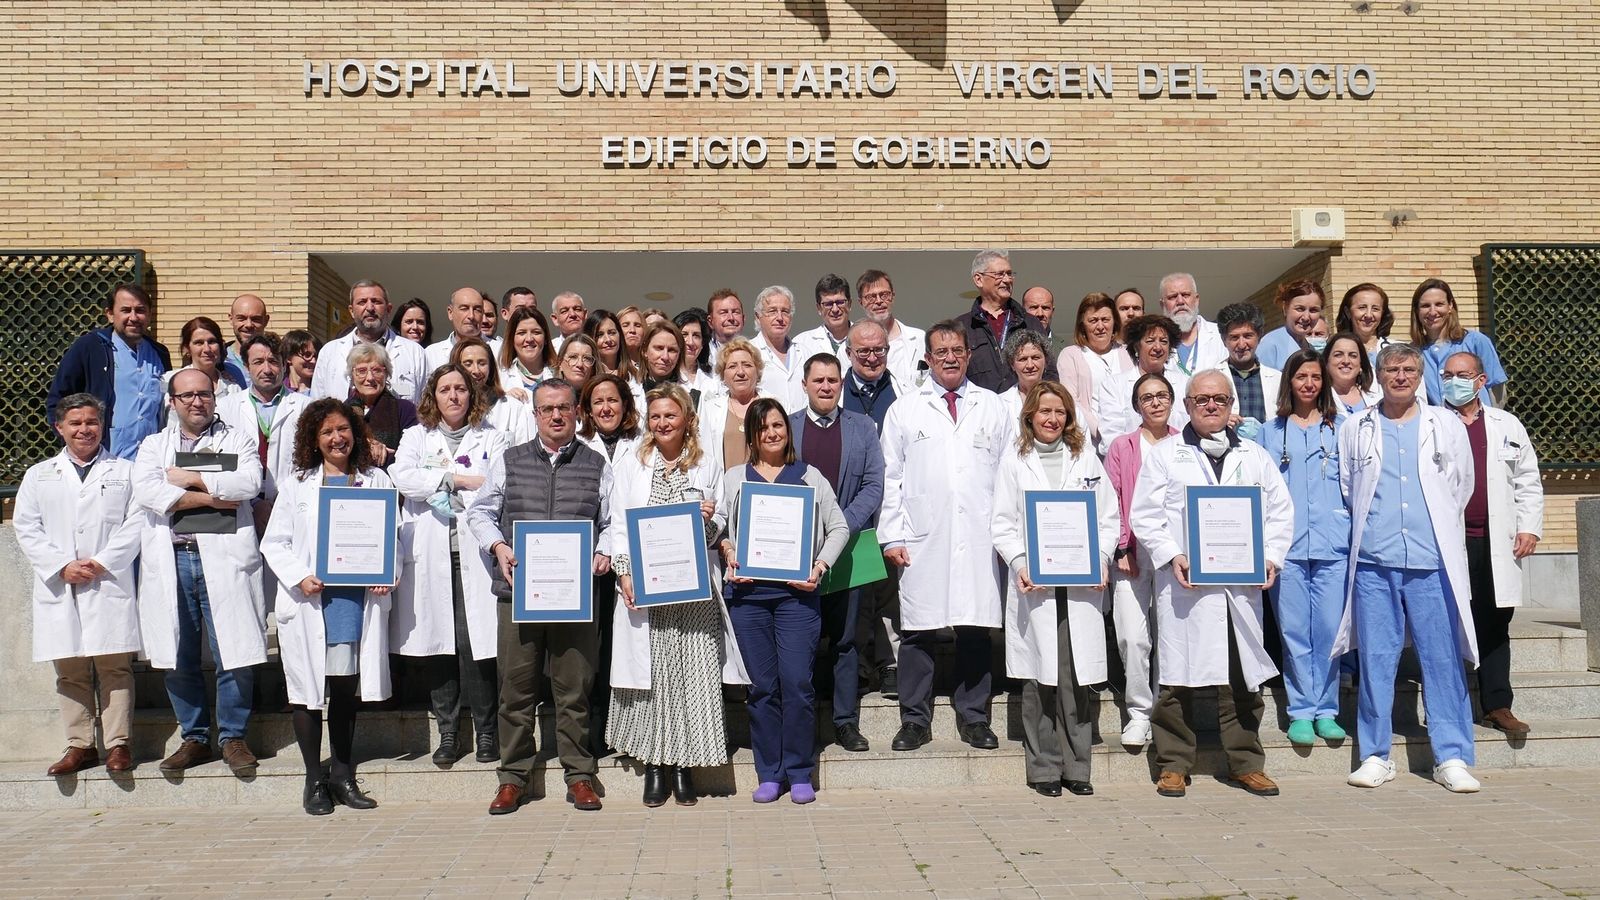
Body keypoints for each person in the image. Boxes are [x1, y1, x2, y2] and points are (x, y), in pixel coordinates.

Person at [1130, 370, 1293, 799]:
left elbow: (1279, 512)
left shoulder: (1255, 456)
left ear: (1231, 404)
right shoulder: (1166, 454)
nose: (1210, 406)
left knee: (1242, 677)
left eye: (1219, 399)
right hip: (1186, 587)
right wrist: (1171, 554)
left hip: (1240, 588)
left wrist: (1272, 556)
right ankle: (1173, 765)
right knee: (1177, 677)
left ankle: (1246, 763)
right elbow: (1144, 515)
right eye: (1201, 400)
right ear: (1186, 405)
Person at [1336, 344, 1481, 792]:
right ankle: (1376, 755)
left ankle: (1451, 756)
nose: (1400, 376)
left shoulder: (1446, 424)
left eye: (1409, 369)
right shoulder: (1356, 427)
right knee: (1377, 660)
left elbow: (1461, 487)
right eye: (1391, 369)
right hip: (1375, 564)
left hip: (1429, 560)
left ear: (1421, 375)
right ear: (1376, 374)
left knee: (1441, 659)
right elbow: (1348, 488)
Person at [465, 378, 613, 813]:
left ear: (576, 412)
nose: (556, 415)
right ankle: (513, 777)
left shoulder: (595, 463)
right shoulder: (510, 460)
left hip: (575, 594)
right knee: (516, 688)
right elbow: (480, 512)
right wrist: (499, 546)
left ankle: (579, 775)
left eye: (564, 407)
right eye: (547, 408)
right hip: (519, 595)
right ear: (535, 414)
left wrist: (603, 551)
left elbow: (612, 520)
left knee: (574, 688)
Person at [609, 384, 748, 807]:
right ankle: (655, 766)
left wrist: (709, 518)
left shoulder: (705, 463)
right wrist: (625, 573)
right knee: (653, 680)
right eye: (656, 417)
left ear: (687, 418)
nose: (663, 424)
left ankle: (685, 766)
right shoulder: (633, 461)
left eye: (671, 416)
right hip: (647, 593)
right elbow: (618, 522)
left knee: (691, 676)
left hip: (693, 593)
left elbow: (720, 520)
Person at [880, 321, 1012, 751]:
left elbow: (1010, 476)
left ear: (969, 355)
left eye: (957, 349)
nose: (950, 357)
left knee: (975, 628)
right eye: (941, 352)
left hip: (979, 537)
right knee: (918, 630)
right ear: (928, 358)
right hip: (923, 537)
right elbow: (891, 478)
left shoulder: (992, 407)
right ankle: (914, 720)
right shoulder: (905, 409)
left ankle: (973, 717)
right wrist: (892, 536)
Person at [261, 398, 395, 814]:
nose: (337, 438)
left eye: (343, 429)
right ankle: (312, 780)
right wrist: (300, 575)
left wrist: (385, 571)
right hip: (310, 599)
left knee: (342, 689)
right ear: (314, 440)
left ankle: (342, 775)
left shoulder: (376, 481)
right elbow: (275, 542)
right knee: (305, 693)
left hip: (351, 603)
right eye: (327, 432)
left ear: (354, 433)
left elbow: (396, 540)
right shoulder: (298, 484)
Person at [131, 367, 266, 776]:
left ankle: (233, 737)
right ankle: (194, 737)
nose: (196, 402)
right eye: (186, 396)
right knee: (178, 655)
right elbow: (149, 492)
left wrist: (188, 479)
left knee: (235, 652)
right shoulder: (154, 446)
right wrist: (213, 494)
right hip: (173, 559)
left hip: (224, 559)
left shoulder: (237, 439)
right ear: (172, 402)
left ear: (214, 397)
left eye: (204, 394)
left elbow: (247, 485)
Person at [719, 397, 850, 803]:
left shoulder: (809, 476)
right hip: (749, 598)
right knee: (762, 688)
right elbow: (721, 526)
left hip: (797, 599)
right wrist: (726, 548)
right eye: (763, 428)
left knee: (797, 684)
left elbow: (839, 526)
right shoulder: (735, 478)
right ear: (753, 437)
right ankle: (770, 773)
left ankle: (800, 770)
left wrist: (820, 566)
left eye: (778, 425)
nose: (772, 433)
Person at [992, 382, 1118, 797]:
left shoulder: (1087, 459)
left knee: (1076, 679)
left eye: (1059, 412)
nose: (1052, 419)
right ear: (1029, 415)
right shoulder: (1015, 461)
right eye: (1044, 411)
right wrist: (1020, 563)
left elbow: (1107, 519)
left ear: (1069, 417)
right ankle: (1044, 768)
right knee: (1040, 679)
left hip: (1080, 586)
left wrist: (1100, 559)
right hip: (1037, 587)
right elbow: (1003, 524)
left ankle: (1077, 767)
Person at [15, 393, 143, 777]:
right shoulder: (39, 474)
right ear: (60, 427)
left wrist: (102, 561)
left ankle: (118, 743)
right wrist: (60, 566)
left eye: (91, 422)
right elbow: (26, 526)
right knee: (69, 670)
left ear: (102, 426)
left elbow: (136, 521)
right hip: (61, 585)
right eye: (75, 423)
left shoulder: (125, 471)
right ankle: (80, 745)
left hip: (108, 581)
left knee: (115, 667)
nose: (84, 429)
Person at [391, 364, 506, 768]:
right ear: (433, 396)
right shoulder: (416, 436)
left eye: (461, 389)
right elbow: (402, 477)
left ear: (471, 396)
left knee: (479, 646)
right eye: (445, 389)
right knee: (440, 646)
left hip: (476, 554)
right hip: (430, 553)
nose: (453, 395)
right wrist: (457, 480)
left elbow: (496, 483)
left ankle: (488, 732)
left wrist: (438, 478)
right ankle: (449, 733)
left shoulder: (493, 436)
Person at [1440, 351, 1543, 736]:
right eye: (1447, 375)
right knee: (1450, 622)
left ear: (1481, 381)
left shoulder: (1507, 424)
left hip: (1495, 541)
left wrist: (1529, 528)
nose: (1453, 381)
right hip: (1451, 541)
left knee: (1495, 623)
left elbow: (1527, 478)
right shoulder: (1433, 421)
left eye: (1462, 375)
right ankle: (1450, 704)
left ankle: (1498, 705)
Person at [789, 354, 884, 753]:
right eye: (818, 380)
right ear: (805, 384)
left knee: (847, 641)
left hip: (849, 549)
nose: (826, 386)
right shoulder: (786, 427)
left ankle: (846, 722)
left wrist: (838, 528)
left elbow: (874, 486)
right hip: (798, 552)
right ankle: (805, 725)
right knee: (803, 641)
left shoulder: (863, 427)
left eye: (832, 380)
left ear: (841, 384)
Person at [1253, 349, 1349, 745]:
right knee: (1294, 631)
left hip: (1333, 545)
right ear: (1288, 382)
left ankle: (1327, 709)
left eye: (1315, 376)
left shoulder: (1343, 428)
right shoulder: (1269, 432)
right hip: (1286, 549)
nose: (1308, 383)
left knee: (1328, 630)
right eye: (1300, 377)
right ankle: (1300, 711)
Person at [1103, 372, 1179, 748]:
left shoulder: (1185, 444)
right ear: (1136, 405)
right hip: (1131, 554)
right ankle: (1138, 712)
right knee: (1133, 636)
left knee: (1169, 636)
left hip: (1173, 556)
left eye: (1161, 395)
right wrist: (1120, 547)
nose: (1155, 402)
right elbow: (1112, 498)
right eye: (1147, 397)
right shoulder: (1122, 447)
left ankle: (1165, 711)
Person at [840, 319, 907, 697]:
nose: (871, 357)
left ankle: (890, 663)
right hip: (852, 506)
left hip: (892, 506)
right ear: (849, 353)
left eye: (878, 349)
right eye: (862, 351)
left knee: (888, 589)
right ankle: (860, 664)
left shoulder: (902, 391)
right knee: (855, 587)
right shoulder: (838, 390)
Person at [577, 373, 641, 752]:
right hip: (595, 561)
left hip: (633, 558)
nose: (606, 408)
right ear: (587, 409)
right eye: (598, 402)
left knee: (626, 647)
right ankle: (596, 730)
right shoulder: (580, 444)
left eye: (613, 401)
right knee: (594, 647)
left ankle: (628, 729)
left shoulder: (641, 445)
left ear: (625, 405)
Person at [48, 283, 171, 459]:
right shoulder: (90, 348)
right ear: (110, 314)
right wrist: (76, 444)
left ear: (150, 315)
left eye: (140, 310)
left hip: (150, 462)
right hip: (105, 461)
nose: (133, 317)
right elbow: (58, 399)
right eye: (126, 310)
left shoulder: (160, 353)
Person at [217, 334, 311, 534]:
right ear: (246, 366)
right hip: (242, 505)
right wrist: (254, 503)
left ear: (285, 364)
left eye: (273, 362)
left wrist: (282, 501)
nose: (267, 370)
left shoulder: (307, 407)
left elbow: (310, 463)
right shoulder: (226, 407)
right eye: (258, 362)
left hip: (290, 504)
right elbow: (223, 461)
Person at [313, 280, 429, 404]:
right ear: (351, 311)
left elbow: (426, 407)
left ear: (389, 309)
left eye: (376, 302)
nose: (369, 308)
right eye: (362, 302)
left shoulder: (415, 353)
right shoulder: (330, 352)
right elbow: (317, 404)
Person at [1095, 314, 1190, 455]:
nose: (1158, 347)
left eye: (1164, 341)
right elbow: (1111, 438)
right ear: (1137, 346)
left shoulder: (1186, 383)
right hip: (1132, 463)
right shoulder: (1113, 385)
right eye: (1150, 341)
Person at [962, 249, 1054, 392]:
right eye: (999, 274)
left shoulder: (1030, 323)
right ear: (979, 279)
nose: (1007, 280)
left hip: (1025, 408)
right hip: (981, 410)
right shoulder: (963, 327)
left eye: (1009, 274)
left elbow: (1050, 372)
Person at [1412, 278, 1508, 409]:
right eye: (1425, 306)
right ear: (1417, 311)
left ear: (1450, 306)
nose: (1432, 312)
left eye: (1439, 304)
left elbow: (1497, 389)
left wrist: (1492, 423)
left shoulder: (1475, 341)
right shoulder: (1413, 352)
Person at [1055, 292, 1131, 446]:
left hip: (1129, 440)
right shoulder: (1071, 355)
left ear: (1114, 322)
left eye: (1105, 320)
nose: (1100, 326)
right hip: (1090, 441)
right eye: (1093, 320)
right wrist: (1102, 433)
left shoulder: (1129, 353)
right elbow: (1071, 400)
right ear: (1082, 324)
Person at [1210, 303, 1282, 442]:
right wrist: (1220, 421)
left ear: (1259, 336)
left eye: (1248, 336)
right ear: (1224, 340)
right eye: (1234, 337)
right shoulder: (1211, 378)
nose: (1242, 345)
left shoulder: (1277, 380)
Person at [698, 338, 770, 471]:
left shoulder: (776, 405)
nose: (740, 372)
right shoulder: (709, 410)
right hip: (725, 488)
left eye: (747, 365)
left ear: (757, 370)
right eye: (732, 366)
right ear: (723, 374)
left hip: (763, 489)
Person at [344, 342, 418, 469]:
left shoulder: (405, 410)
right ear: (352, 375)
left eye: (377, 370)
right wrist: (365, 446)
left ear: (387, 374)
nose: (370, 378)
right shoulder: (341, 411)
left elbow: (412, 455)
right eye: (361, 371)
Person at [452, 337, 535, 446]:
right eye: (468, 364)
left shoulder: (513, 408)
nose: (476, 370)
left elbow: (525, 453)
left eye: (482, 363)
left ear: (491, 367)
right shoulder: (449, 409)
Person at [161, 316, 241, 426]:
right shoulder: (168, 381)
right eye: (199, 343)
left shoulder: (233, 388)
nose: (207, 349)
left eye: (212, 342)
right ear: (187, 348)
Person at [856, 269, 926, 389]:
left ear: (893, 296)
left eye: (884, 295)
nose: (878, 301)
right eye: (871, 297)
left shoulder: (920, 339)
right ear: (860, 302)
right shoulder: (852, 345)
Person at [1158, 273, 1226, 377]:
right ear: (1162, 304)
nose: (1180, 301)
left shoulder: (1221, 335)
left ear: (1197, 299)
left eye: (1185, 295)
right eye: (1172, 297)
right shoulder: (1155, 342)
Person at [751, 285, 803, 410]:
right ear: (758, 316)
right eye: (772, 311)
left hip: (801, 426)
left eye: (785, 311)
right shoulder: (748, 352)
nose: (780, 318)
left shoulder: (804, 352)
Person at [1256, 280, 1327, 370]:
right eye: (1300, 309)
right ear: (1285, 308)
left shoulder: (1311, 349)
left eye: (1313, 310)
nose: (1306, 317)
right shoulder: (1270, 344)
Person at [792, 273, 855, 368]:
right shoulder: (801, 343)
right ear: (819, 308)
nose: (835, 309)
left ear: (849, 304)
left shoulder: (866, 338)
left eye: (840, 302)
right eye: (828, 304)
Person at [497, 306, 558, 399]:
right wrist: (505, 398)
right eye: (521, 333)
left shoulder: (559, 374)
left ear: (545, 338)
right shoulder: (500, 378)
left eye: (536, 332)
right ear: (511, 339)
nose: (529, 339)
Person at [426, 286, 488, 371]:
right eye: (464, 309)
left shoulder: (499, 351)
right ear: (450, 313)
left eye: (477, 310)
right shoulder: (431, 354)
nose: (471, 316)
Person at [997, 329, 1051, 421]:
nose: (1030, 365)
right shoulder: (1000, 404)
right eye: (1023, 359)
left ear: (1045, 361)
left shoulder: (1061, 399)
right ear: (1012, 364)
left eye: (1035, 358)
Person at [1335, 282, 1395, 364]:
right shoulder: (1334, 350)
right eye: (1362, 307)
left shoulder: (1397, 348)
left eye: (1375, 309)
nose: (1369, 315)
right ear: (1348, 312)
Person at [1324, 331, 1382, 415]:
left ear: (1361, 364)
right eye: (1338, 355)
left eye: (1353, 356)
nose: (1346, 361)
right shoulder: (1318, 401)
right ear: (1327, 362)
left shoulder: (1378, 401)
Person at [222, 293, 271, 388]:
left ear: (266, 321)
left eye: (255, 319)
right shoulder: (218, 361)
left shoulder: (281, 360)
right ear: (231, 319)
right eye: (242, 318)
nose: (248, 325)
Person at [673, 307, 720, 397]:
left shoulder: (714, 376)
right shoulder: (666, 377)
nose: (690, 342)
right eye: (684, 334)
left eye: (696, 335)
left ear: (703, 343)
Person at [587, 309, 637, 382]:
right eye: (600, 335)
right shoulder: (585, 376)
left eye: (612, 333)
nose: (608, 340)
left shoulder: (636, 375)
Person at [1021, 286, 1067, 357]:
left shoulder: (1067, 349)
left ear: (1052, 311)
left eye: (1045, 308)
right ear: (1022, 311)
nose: (1040, 314)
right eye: (1034, 307)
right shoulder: (1010, 346)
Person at [706, 288, 746, 361]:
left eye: (735, 312)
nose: (731, 318)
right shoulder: (702, 355)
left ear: (743, 319)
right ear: (710, 321)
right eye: (723, 313)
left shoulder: (754, 352)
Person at [282, 329, 321, 395]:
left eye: (317, 356)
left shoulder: (323, 390)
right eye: (307, 355)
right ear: (288, 357)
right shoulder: (278, 390)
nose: (313, 361)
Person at [617, 305, 647, 370]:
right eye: (625, 325)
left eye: (637, 325)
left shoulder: (651, 365)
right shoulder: (611, 366)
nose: (632, 330)